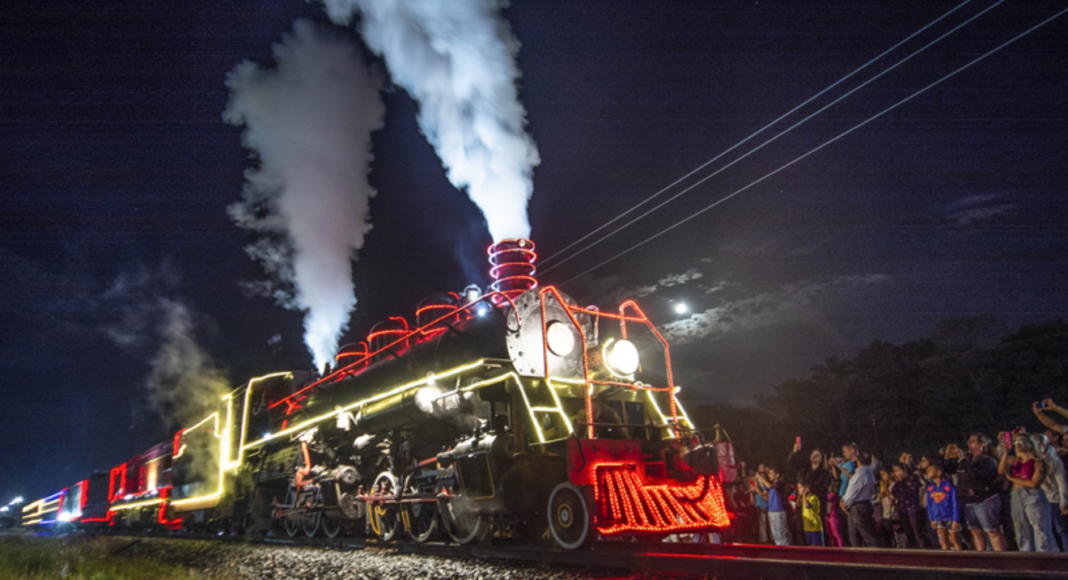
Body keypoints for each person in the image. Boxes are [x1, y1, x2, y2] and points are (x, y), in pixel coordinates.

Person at [944, 433, 1007, 551]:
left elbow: (975, 475)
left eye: (972, 441)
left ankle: (1001, 559)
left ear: (982, 444)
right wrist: (948, 458)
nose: (969, 443)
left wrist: (962, 458)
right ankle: (981, 559)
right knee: (975, 532)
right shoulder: (967, 460)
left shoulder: (987, 460)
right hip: (968, 502)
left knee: (992, 531)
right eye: (969, 441)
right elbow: (949, 470)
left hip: (984, 501)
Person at [999, 432, 1056, 552]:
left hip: (1032, 495)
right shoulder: (1014, 460)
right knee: (1020, 528)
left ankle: (1044, 557)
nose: (1018, 445)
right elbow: (1001, 471)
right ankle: (1026, 557)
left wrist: (1011, 479)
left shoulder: (1038, 461)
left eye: (1021, 442)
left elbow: (1034, 483)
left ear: (1030, 444)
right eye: (1016, 442)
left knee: (1039, 527)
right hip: (1016, 494)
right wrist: (1005, 453)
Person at [1036, 434, 1068, 551]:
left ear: (1044, 443)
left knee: (1061, 530)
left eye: (1037, 442)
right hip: (1039, 500)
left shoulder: (1054, 460)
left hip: (1054, 500)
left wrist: (1063, 501)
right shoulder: (1033, 459)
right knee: (1049, 531)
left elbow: (1062, 482)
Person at [840, 451, 878, 547]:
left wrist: (844, 503)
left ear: (857, 460)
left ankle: (874, 557)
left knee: (863, 536)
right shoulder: (869, 473)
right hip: (864, 505)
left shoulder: (859, 475)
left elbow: (852, 493)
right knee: (857, 535)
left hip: (858, 507)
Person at [925, 459, 963, 550]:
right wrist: (932, 519)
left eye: (931, 470)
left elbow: (954, 502)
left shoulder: (948, 485)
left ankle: (960, 560)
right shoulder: (930, 487)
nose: (928, 472)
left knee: (954, 539)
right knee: (943, 540)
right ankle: (946, 561)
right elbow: (929, 504)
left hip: (949, 516)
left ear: (939, 472)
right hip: (938, 517)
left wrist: (955, 520)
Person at [890, 463, 926, 548]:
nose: (896, 473)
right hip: (902, 510)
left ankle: (923, 551)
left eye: (898, 470)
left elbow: (906, 492)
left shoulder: (912, 479)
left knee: (917, 533)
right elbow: (893, 491)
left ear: (905, 471)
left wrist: (901, 484)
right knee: (908, 533)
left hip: (912, 510)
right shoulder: (899, 482)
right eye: (895, 471)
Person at [830, 443, 858, 546]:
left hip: (847, 495)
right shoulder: (845, 464)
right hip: (841, 494)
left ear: (852, 451)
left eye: (845, 451)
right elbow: (837, 477)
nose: (843, 454)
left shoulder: (851, 464)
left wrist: (838, 465)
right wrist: (833, 466)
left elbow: (848, 476)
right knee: (842, 523)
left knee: (847, 524)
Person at [756, 464, 792, 546]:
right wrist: (757, 488)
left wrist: (760, 477)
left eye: (771, 473)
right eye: (769, 473)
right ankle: (780, 551)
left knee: (781, 534)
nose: (769, 475)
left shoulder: (779, 483)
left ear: (777, 475)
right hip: (771, 511)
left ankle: (786, 552)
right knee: (775, 535)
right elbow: (766, 496)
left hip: (779, 511)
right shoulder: (771, 485)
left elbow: (769, 485)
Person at [797, 482, 824, 546]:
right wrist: (800, 495)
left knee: (817, 546)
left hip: (815, 528)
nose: (798, 489)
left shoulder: (814, 497)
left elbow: (807, 505)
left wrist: (803, 495)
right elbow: (797, 503)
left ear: (807, 489)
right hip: (807, 527)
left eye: (800, 487)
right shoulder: (803, 498)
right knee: (810, 546)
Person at [749, 465, 771, 544]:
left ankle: (768, 543)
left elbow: (767, 498)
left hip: (765, 508)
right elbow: (752, 502)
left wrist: (758, 491)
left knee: (765, 528)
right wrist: (751, 493)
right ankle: (763, 543)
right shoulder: (756, 487)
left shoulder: (765, 487)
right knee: (761, 528)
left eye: (762, 477)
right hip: (757, 509)